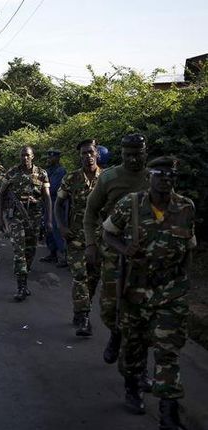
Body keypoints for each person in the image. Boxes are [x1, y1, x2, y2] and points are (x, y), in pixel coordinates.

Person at [102, 157, 196, 430]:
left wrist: (184, 283)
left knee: (168, 353)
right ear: (149, 177)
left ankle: (168, 420)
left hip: (170, 292)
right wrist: (124, 250)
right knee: (134, 347)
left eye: (170, 175)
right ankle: (132, 387)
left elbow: (189, 247)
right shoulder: (130, 205)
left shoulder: (185, 208)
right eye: (159, 174)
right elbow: (108, 233)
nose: (165, 179)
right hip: (135, 292)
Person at [83, 134, 149, 365]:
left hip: (146, 253)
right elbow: (90, 212)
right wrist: (91, 243)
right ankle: (116, 333)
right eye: (128, 155)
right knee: (110, 307)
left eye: (137, 154)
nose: (133, 159)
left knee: (142, 308)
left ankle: (136, 361)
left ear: (145, 152)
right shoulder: (109, 177)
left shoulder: (154, 178)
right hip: (113, 249)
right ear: (121, 154)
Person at [55, 140, 103, 336]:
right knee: (80, 275)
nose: (87, 156)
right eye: (83, 153)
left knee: (93, 277)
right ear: (80, 156)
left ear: (97, 154)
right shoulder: (71, 178)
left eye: (90, 152)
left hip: (100, 237)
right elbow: (58, 203)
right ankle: (84, 318)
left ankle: (81, 308)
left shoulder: (107, 178)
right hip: (76, 236)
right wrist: (61, 226)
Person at [0, 146, 53, 302]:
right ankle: (21, 287)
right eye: (22, 155)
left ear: (33, 156)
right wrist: (0, 219)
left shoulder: (42, 173)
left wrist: (49, 220)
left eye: (27, 155)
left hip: (34, 217)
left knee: (30, 250)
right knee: (19, 250)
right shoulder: (12, 173)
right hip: (15, 217)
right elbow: (1, 195)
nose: (25, 158)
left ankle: (24, 278)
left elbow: (47, 198)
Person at [40, 149, 68, 266]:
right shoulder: (47, 171)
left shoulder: (61, 171)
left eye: (51, 157)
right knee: (47, 228)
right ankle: (52, 253)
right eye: (48, 157)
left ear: (57, 158)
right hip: (46, 203)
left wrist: (40, 189)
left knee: (56, 228)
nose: (49, 159)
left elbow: (53, 188)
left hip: (56, 203)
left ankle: (63, 256)